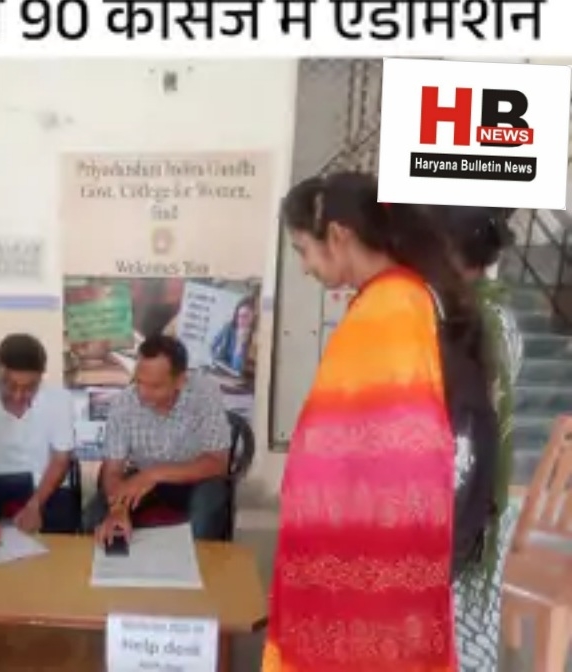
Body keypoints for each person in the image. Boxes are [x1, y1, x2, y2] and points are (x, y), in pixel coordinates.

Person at [263, 172, 494, 672]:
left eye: (304, 250)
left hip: (380, 548)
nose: (304, 266)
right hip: (421, 538)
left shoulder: (390, 309)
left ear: (338, 235)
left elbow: (380, 451)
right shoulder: (410, 295)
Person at [431, 206, 522, 672]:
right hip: (481, 501)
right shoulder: (500, 315)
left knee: (448, 631)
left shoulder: (468, 322)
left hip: (462, 503)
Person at [86, 334, 233, 543]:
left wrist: (155, 474)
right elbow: (112, 471)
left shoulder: (204, 394)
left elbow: (218, 464)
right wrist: (118, 508)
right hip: (141, 479)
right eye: (139, 382)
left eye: (155, 386)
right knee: (93, 517)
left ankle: (197, 562)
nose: (143, 393)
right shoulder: (124, 403)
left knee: (208, 507)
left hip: (193, 479)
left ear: (180, 380)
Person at [0, 334, 76, 547]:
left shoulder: (60, 400)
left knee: (57, 549)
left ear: (41, 378)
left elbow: (60, 460)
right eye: (9, 385)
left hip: (44, 485)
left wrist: (36, 504)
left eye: (30, 387)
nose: (18, 395)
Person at [210, 293, 257, 376]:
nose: (240, 321)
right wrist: (217, 356)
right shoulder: (229, 328)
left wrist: (240, 345)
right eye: (238, 316)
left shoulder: (254, 338)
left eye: (245, 316)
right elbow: (213, 347)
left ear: (254, 318)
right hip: (221, 372)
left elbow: (236, 370)